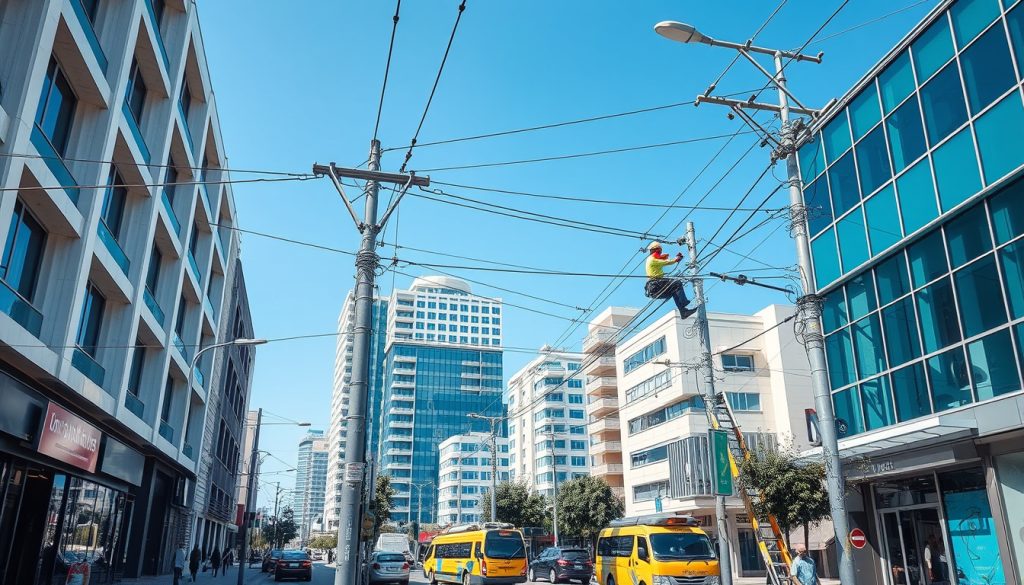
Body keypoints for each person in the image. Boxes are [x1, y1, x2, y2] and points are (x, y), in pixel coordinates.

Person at [644, 242, 696, 319]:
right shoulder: (652, 260)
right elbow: (667, 262)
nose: (660, 253)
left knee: (674, 290)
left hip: (654, 288)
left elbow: (661, 259)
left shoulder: (651, 259)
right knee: (677, 283)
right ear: (655, 250)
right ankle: (684, 302)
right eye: (659, 251)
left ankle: (683, 312)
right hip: (655, 285)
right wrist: (677, 259)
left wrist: (664, 257)